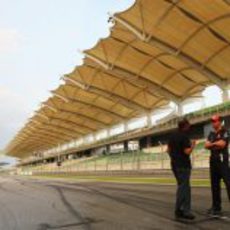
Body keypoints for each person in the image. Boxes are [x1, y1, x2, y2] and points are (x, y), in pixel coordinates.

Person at [167, 117, 196, 220]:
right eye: (188, 125)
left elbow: (168, 150)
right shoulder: (184, 136)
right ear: (185, 126)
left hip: (174, 165)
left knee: (182, 186)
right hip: (183, 165)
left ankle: (181, 209)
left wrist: (174, 158)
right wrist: (193, 146)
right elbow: (187, 152)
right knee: (184, 188)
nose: (189, 127)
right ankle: (182, 210)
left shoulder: (172, 135)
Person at [204, 115, 230, 217]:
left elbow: (222, 144)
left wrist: (212, 144)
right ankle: (216, 207)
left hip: (222, 161)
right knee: (214, 186)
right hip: (213, 161)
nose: (213, 123)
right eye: (212, 121)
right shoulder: (211, 134)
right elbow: (206, 145)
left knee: (228, 183)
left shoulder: (225, 131)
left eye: (215, 121)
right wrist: (215, 143)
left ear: (220, 121)